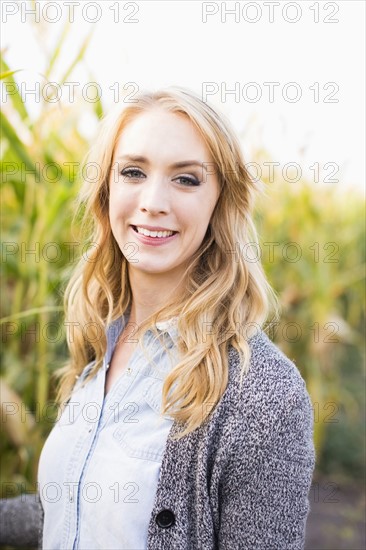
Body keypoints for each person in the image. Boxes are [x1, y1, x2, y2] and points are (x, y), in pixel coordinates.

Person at [0, 86, 316, 549]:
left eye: (186, 179)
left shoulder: (264, 394)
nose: (152, 201)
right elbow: (73, 503)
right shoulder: (97, 344)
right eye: (133, 172)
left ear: (220, 202)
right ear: (107, 189)